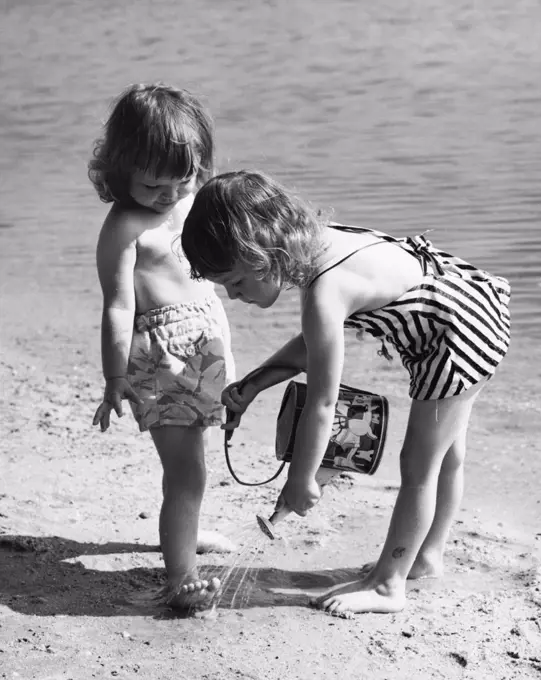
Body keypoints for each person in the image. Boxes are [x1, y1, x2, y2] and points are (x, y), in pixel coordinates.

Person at [180, 169, 511, 617]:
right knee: (446, 455)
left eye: (237, 282)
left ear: (265, 252)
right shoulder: (316, 247)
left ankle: (389, 584)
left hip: (454, 339)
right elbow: (316, 344)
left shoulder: (324, 290)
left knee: (418, 465)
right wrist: (257, 382)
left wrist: (302, 477)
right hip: (468, 305)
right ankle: (426, 557)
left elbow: (323, 402)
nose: (234, 296)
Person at [88, 83, 235, 611]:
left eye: (183, 180)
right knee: (185, 468)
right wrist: (114, 378)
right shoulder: (125, 227)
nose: (169, 195)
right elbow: (118, 307)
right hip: (158, 357)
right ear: (121, 171)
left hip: (205, 344)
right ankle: (181, 578)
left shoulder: (190, 201)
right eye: (152, 185)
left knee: (196, 456)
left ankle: (185, 530)